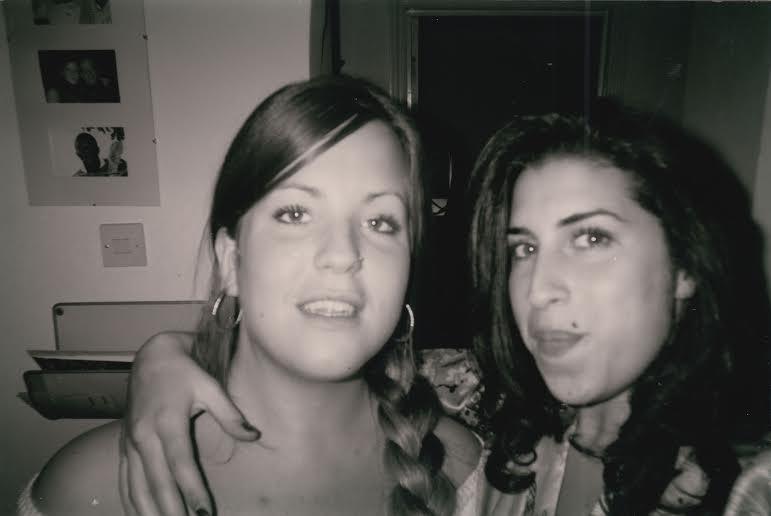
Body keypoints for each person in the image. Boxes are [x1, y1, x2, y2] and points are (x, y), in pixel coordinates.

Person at [106, 99, 771, 516]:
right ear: (230, 255)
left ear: (686, 267)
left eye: (591, 238)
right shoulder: (500, 437)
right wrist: (164, 355)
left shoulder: (750, 490)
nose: (539, 287)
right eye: (522, 248)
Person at [19, 76, 485, 516]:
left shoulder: (468, 475)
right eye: (295, 213)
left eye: (381, 222)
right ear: (230, 261)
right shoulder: (87, 491)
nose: (342, 254)